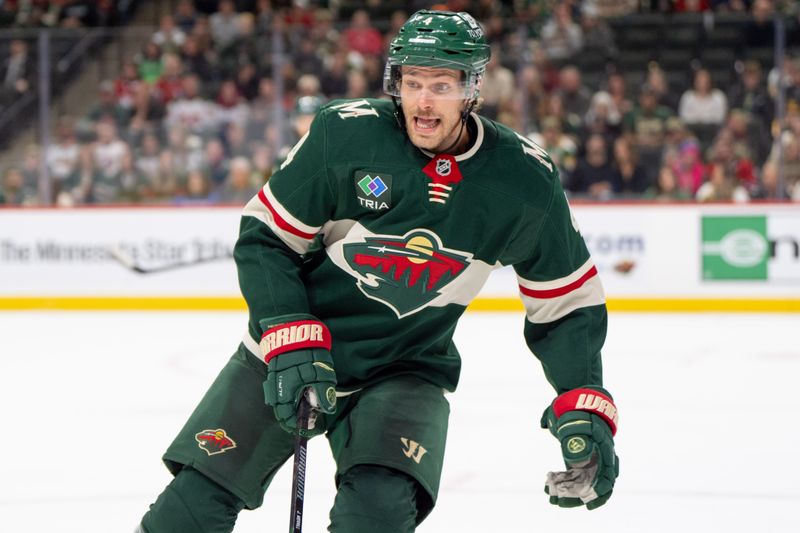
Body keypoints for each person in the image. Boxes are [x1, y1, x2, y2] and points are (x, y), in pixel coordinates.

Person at [136, 10, 619, 533]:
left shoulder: (522, 182)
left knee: (377, 518)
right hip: (288, 353)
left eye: (440, 85)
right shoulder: (344, 136)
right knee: (185, 516)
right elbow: (265, 239)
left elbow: (567, 303)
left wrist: (582, 399)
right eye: (412, 83)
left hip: (403, 368)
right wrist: (287, 332)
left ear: (472, 89)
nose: (423, 102)